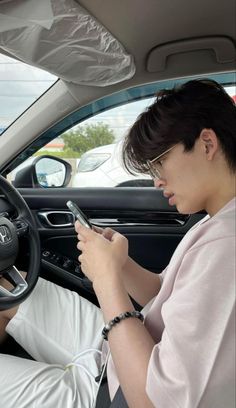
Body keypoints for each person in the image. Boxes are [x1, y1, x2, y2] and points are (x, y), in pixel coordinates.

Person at [0, 79, 235, 408]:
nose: (156, 180)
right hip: (118, 353)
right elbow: (163, 295)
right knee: (13, 287)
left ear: (206, 144)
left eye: (159, 161)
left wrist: (106, 278)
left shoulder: (227, 246)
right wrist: (122, 264)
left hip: (116, 393)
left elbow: (152, 401)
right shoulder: (217, 220)